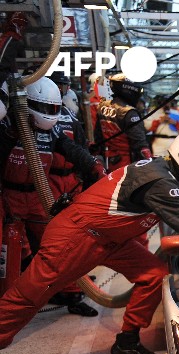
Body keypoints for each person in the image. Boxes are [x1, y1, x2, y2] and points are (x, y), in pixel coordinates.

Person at [0, 130, 179, 354]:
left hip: (108, 239)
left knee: (153, 275)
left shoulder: (165, 173)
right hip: (77, 237)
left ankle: (127, 341)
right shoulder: (162, 183)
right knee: (27, 298)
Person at [0, 77, 105, 318]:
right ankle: (9, 306)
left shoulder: (54, 130)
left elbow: (72, 149)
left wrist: (93, 166)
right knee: (9, 250)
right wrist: (10, 135)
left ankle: (72, 294)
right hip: (8, 199)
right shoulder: (7, 124)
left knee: (61, 244)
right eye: (44, 108)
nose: (49, 114)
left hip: (39, 195)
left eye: (53, 109)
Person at [94, 72, 152, 170]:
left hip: (108, 161)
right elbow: (140, 145)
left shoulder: (102, 106)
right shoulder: (130, 112)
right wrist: (150, 164)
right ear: (129, 90)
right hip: (127, 164)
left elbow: (98, 136)